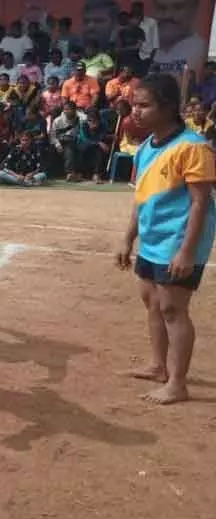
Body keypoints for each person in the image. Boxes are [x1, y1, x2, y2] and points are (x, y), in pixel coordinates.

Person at [116, 74, 216, 404]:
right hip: (153, 239)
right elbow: (141, 198)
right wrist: (128, 239)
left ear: (169, 107)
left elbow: (200, 202)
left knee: (174, 309)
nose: (136, 112)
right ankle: (158, 366)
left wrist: (187, 252)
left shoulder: (193, 147)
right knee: (152, 302)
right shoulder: (146, 147)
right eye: (134, 105)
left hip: (179, 240)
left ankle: (177, 382)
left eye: (144, 105)